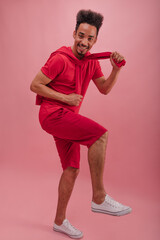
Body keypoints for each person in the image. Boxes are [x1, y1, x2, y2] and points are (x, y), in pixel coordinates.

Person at [30, 9, 132, 239]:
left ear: (95, 40)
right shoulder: (60, 58)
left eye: (90, 38)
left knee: (72, 169)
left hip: (66, 118)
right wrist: (66, 98)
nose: (84, 42)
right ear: (74, 33)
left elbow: (104, 89)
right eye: (81, 35)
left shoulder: (92, 62)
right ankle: (99, 198)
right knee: (100, 135)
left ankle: (59, 222)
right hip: (53, 114)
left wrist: (116, 69)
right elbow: (35, 85)